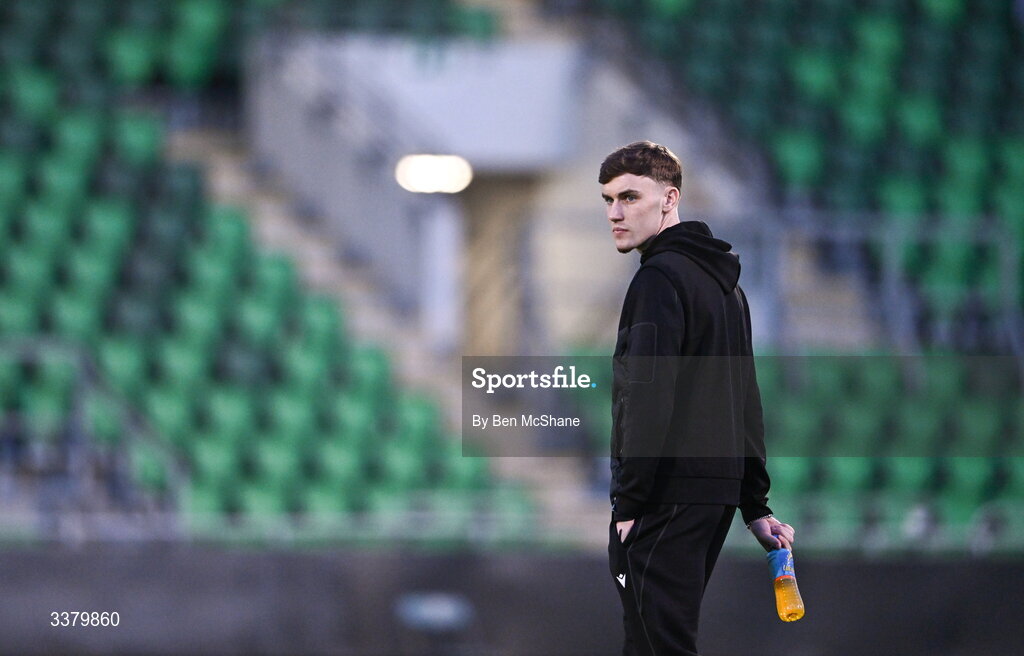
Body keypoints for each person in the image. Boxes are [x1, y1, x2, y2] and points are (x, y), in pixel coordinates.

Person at [601, 141, 795, 656]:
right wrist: (753, 501)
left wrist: (631, 501)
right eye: (608, 200)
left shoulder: (658, 279)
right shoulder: (727, 286)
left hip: (665, 495)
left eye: (629, 197)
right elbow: (745, 397)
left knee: (656, 645)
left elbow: (646, 397)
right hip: (710, 495)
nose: (615, 213)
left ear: (669, 199)